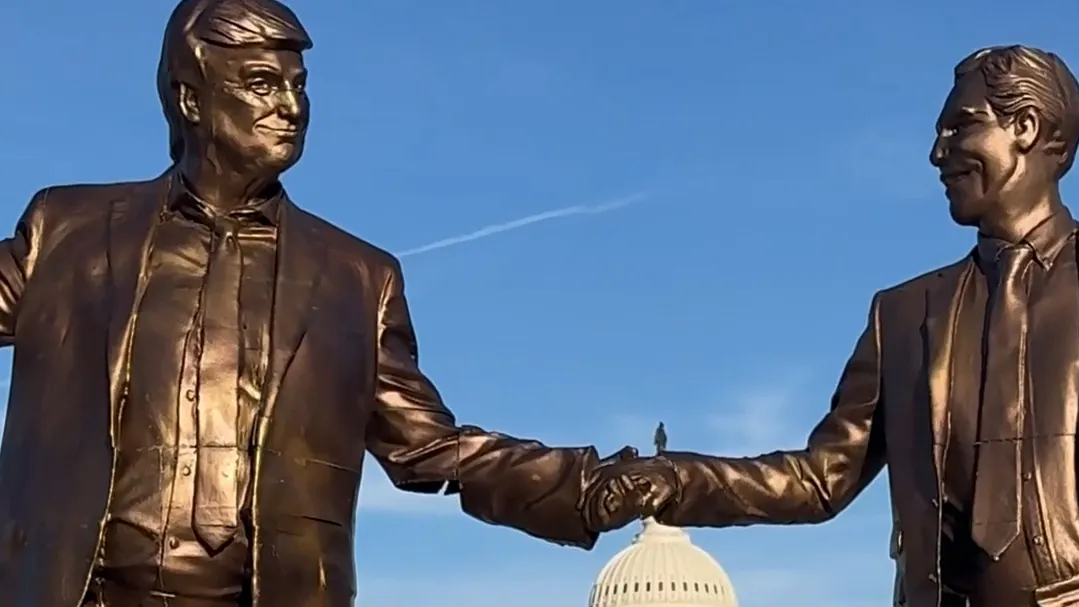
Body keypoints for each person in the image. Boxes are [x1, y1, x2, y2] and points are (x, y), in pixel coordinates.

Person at [0, 1, 644, 606]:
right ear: (189, 98)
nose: (291, 107)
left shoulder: (359, 280)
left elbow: (430, 450)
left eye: (299, 86)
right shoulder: (66, 230)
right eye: (261, 83)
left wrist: (592, 488)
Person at [588, 45, 1079, 607]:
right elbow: (820, 479)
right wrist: (673, 479)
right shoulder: (904, 315)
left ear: (1025, 126)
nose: (936, 153)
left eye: (958, 127)